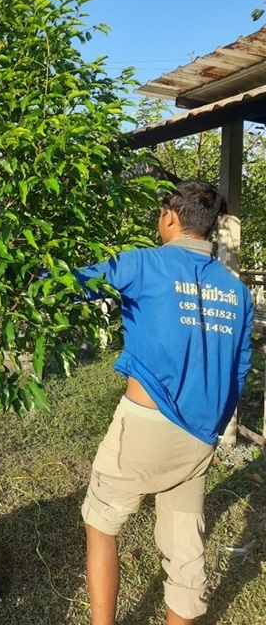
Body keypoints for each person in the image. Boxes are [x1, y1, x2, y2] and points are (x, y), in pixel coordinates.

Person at [75, 180, 254, 625]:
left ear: (171, 217)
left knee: (101, 522)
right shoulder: (237, 292)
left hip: (145, 426)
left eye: (159, 214)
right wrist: (211, 430)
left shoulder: (143, 264)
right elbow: (238, 372)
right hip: (200, 436)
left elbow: (74, 284)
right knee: (185, 547)